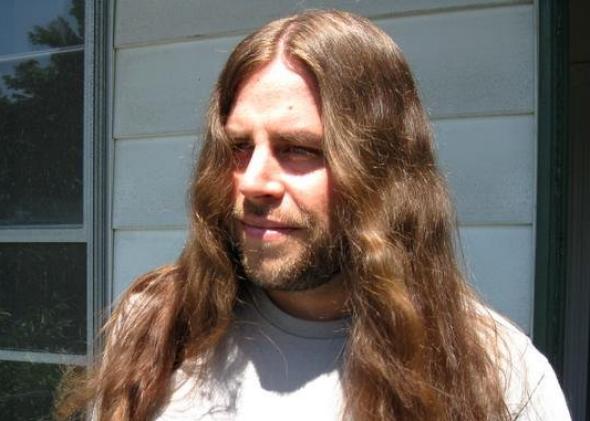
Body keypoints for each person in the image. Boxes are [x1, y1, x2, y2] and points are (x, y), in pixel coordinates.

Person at [57, 10, 571, 421]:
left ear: (384, 169)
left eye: (299, 149)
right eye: (238, 147)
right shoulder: (159, 326)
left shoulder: (495, 371)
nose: (253, 181)